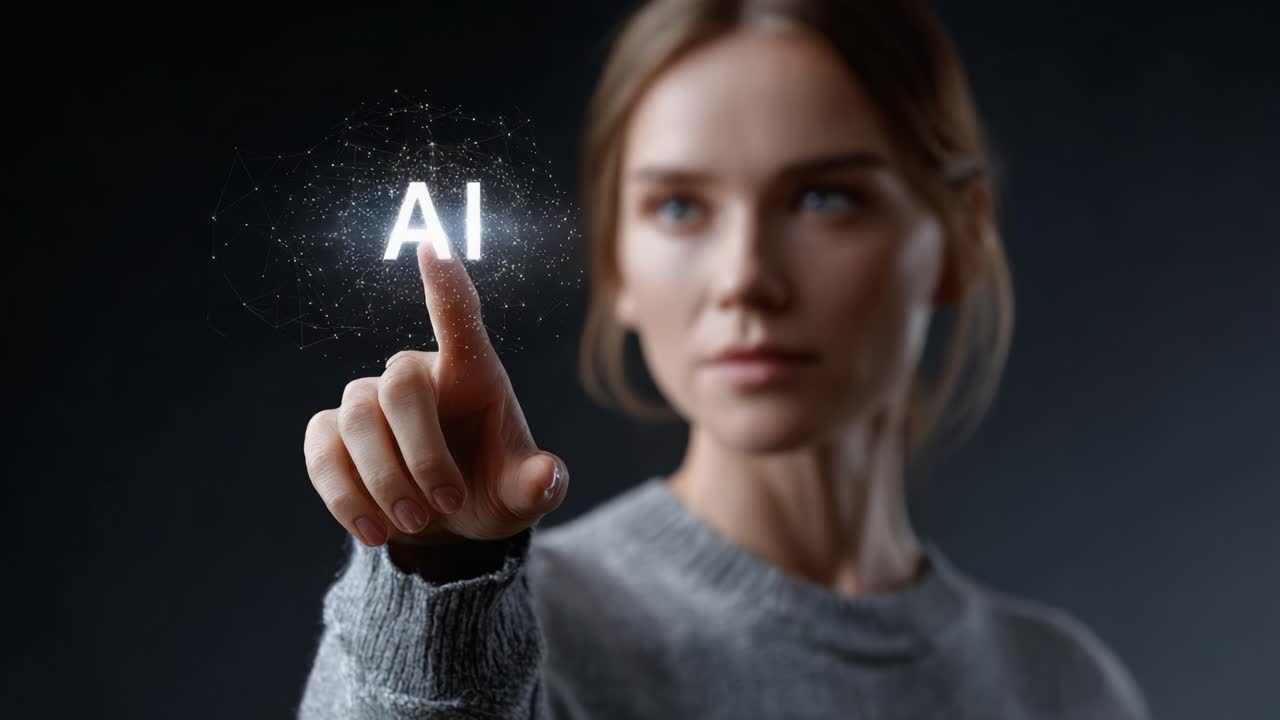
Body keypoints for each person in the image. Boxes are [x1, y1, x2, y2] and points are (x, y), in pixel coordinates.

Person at [298, 0, 1149, 717]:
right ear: (617, 259)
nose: (744, 279)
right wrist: (441, 590)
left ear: (962, 236)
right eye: (678, 207)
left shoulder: (1066, 688)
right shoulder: (518, 634)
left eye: (824, 199)